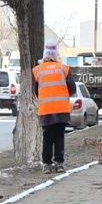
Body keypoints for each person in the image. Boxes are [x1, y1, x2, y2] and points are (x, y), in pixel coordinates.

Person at [32, 39, 76, 174]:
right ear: (57, 54)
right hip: (61, 108)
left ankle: (47, 164)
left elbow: (35, 91)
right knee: (59, 136)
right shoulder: (64, 69)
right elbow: (72, 88)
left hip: (46, 109)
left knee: (47, 137)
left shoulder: (37, 70)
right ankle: (59, 163)